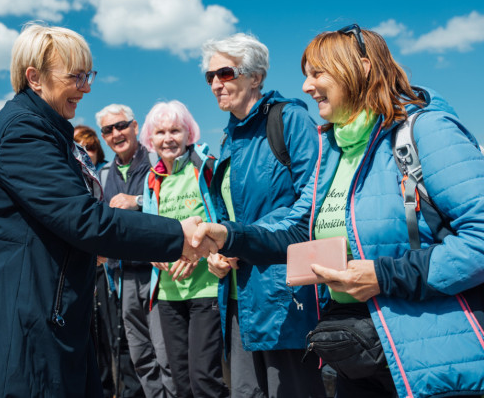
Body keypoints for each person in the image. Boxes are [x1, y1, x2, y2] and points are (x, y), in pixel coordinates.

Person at [196, 25, 484, 398]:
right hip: (355, 350)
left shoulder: (427, 130)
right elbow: (300, 228)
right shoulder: (332, 148)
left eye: (317, 73)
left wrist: (383, 276)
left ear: (361, 67)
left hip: (427, 355)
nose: (305, 86)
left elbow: (479, 240)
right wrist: (231, 236)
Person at [0, 22, 210, 398]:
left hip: (33, 315)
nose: (87, 86)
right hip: (15, 332)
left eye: (88, 75)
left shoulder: (41, 128)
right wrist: (177, 234)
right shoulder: (23, 132)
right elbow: (83, 219)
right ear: (35, 78)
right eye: (76, 76)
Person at [200, 33, 326, 397]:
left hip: (284, 293)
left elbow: (312, 200)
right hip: (237, 296)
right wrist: (218, 253)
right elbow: (226, 214)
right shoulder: (229, 139)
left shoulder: (289, 120)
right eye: (209, 77)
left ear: (255, 76)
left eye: (225, 73)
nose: (215, 84)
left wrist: (238, 237)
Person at [140, 101, 228, 398]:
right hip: (168, 292)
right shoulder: (151, 178)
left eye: (175, 131)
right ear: (150, 139)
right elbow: (149, 230)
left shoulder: (203, 168)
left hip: (206, 289)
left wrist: (196, 253)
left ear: (188, 132)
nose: (168, 138)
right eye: (160, 132)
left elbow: (223, 221)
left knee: (204, 378)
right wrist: (154, 252)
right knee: (181, 381)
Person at [97, 104, 176, 398]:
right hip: (122, 276)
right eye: (108, 129)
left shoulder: (157, 159)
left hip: (160, 273)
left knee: (166, 353)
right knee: (140, 354)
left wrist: (139, 201)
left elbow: (173, 199)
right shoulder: (103, 174)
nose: (116, 133)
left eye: (121, 126)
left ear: (134, 126)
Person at [74, 123, 138, 398]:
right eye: (79, 147)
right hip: (90, 263)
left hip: (111, 267)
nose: (85, 152)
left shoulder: (102, 176)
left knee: (116, 334)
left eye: (89, 148)